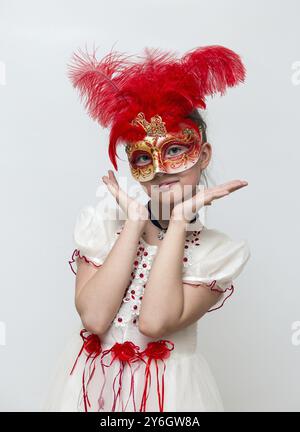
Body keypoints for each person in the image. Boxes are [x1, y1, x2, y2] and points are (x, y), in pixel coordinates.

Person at [42, 44, 251, 412]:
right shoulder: (104, 228)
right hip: (90, 392)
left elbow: (155, 322)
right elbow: (93, 317)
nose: (160, 168)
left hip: (167, 399)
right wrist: (136, 221)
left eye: (174, 150)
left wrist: (180, 220)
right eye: (143, 157)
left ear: (202, 155)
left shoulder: (216, 254)